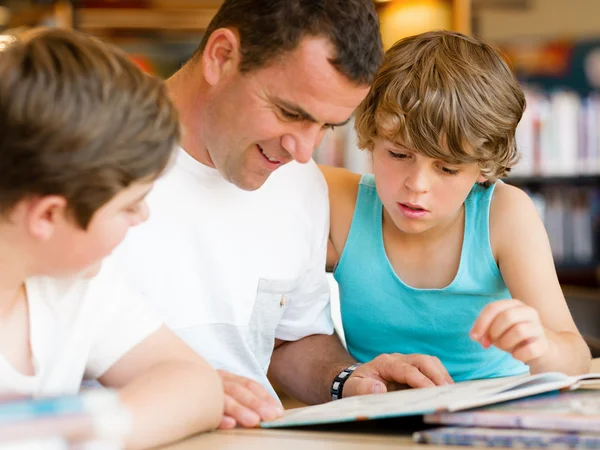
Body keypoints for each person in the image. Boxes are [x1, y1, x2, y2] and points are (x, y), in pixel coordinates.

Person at [113, 0, 454, 430]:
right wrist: (186, 391)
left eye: (326, 126)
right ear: (221, 57)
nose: (303, 150)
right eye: (291, 113)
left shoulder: (300, 184)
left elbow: (289, 340)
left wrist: (348, 380)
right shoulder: (83, 157)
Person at [322, 30, 591, 383]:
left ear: (483, 167)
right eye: (398, 154)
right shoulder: (340, 201)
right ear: (372, 138)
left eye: (447, 168)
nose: (417, 185)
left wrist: (543, 347)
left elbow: (577, 357)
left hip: (493, 412)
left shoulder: (504, 215)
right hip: (376, 416)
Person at [0, 28, 223, 449]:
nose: (143, 215)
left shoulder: (79, 285)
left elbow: (196, 384)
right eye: (129, 204)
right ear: (48, 214)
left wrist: (74, 434)